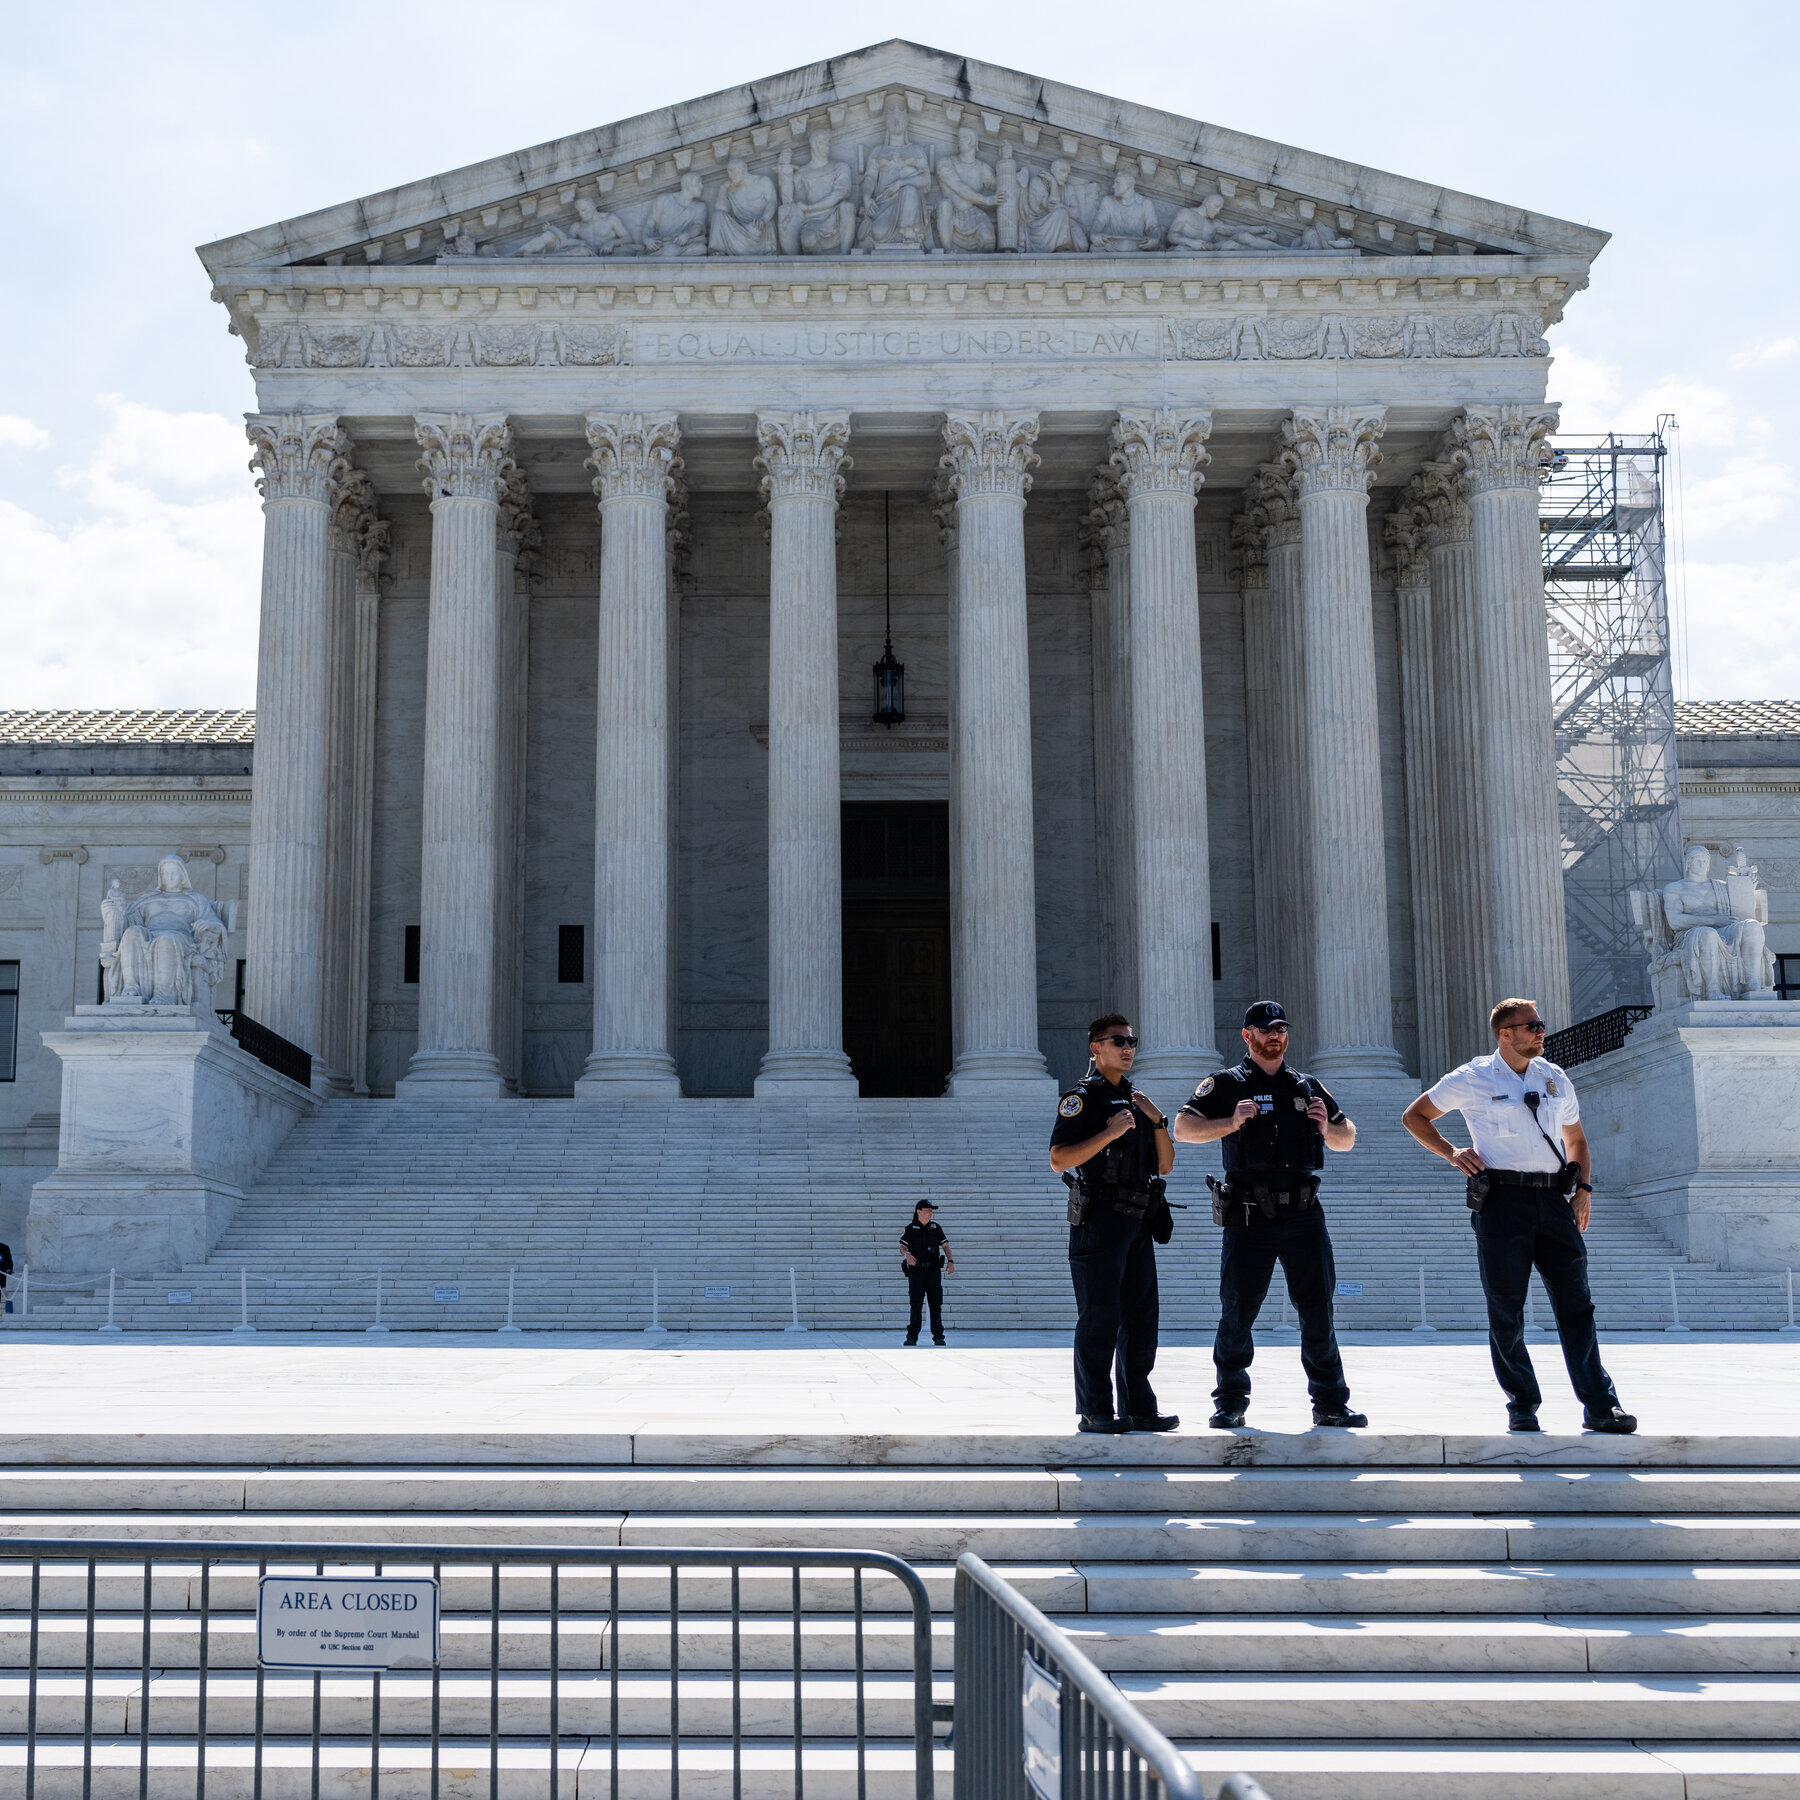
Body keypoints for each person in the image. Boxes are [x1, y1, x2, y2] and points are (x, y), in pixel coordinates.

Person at [1402, 998, 1638, 1434]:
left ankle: (1601, 1406)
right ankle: (1523, 1403)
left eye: (1540, 1024)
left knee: (1577, 1306)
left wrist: (1583, 1189)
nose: (1540, 1031)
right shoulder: (1472, 1078)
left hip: (1552, 1202)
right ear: (1504, 1034)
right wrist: (1453, 1152)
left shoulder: (1555, 1077)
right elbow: (1414, 1116)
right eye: (1531, 1025)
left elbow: (1577, 1141)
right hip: (1501, 1203)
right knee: (1506, 1309)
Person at [1174, 1000, 1367, 1431]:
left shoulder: (1306, 1085)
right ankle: (1229, 1402)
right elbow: (1183, 1129)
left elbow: (1347, 1138)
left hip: (1303, 1213)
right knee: (1238, 1312)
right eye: (1265, 1030)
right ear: (1247, 1036)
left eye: (1280, 1028)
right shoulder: (1227, 1083)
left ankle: (1331, 1402)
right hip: (1248, 1213)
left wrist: (1327, 1128)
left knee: (1318, 1310)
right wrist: (1230, 1121)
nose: (1274, 1036)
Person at [1049, 1015, 1179, 1435]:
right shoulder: (1081, 1099)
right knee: (1099, 1317)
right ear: (1095, 1048)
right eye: (1118, 1040)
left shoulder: (1139, 1101)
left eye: (1132, 1041)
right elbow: (1059, 1159)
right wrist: (1107, 1134)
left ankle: (1140, 1408)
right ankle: (1095, 1410)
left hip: (1139, 1219)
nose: (1128, 1048)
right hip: (1100, 1218)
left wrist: (1157, 1121)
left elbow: (1164, 1165)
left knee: (1142, 1319)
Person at [899, 1201, 953, 1345]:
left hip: (933, 1271)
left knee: (936, 1304)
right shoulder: (911, 1228)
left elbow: (945, 1245)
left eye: (931, 1210)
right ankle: (912, 1337)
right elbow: (902, 1247)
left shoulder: (936, 1227)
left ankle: (938, 1336)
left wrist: (950, 1261)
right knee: (915, 1304)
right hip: (916, 1272)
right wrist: (907, 1255)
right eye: (927, 1210)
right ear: (918, 1211)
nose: (930, 1212)